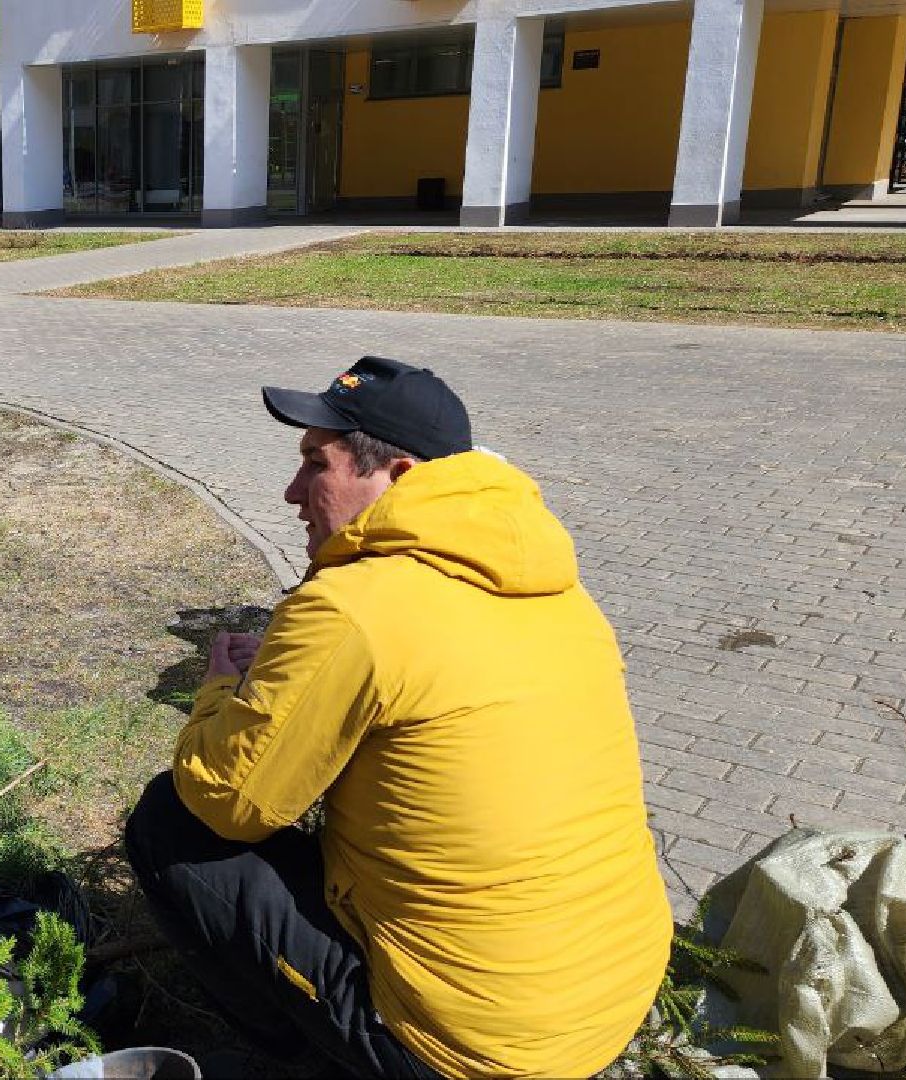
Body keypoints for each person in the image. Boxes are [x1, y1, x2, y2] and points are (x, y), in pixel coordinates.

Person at [125, 356, 671, 1078]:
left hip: (471, 1049)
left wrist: (222, 689)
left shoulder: (352, 608)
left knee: (172, 823)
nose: (291, 494)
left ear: (402, 476)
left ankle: (301, 1056)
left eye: (315, 465)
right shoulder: (557, 591)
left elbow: (227, 802)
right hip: (604, 998)